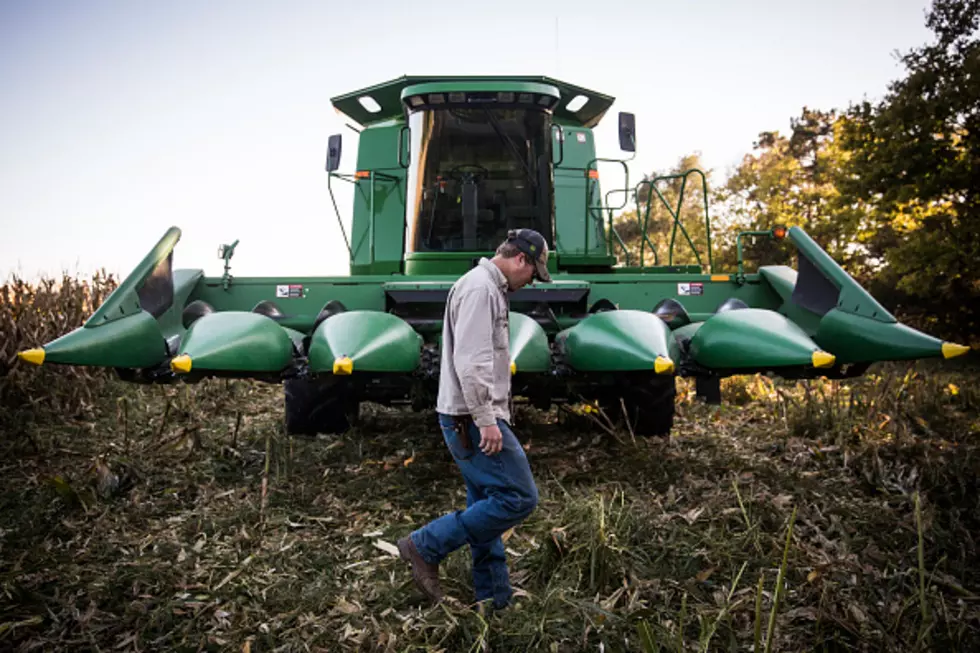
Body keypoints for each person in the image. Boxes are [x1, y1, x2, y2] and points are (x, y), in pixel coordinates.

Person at [397, 228, 552, 611]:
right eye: (534, 273)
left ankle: (494, 598)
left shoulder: (487, 286)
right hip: (471, 418)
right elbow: (472, 362)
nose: (531, 282)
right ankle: (425, 545)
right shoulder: (482, 289)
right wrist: (486, 420)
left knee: (487, 501)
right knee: (518, 497)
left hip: (468, 415)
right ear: (521, 259)